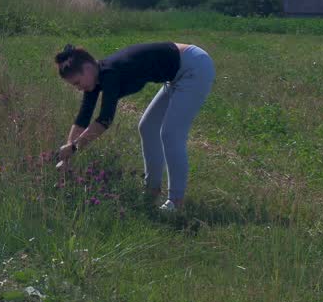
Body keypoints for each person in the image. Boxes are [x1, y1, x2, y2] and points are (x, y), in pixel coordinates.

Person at [54, 42, 215, 212]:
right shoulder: (96, 79)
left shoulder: (110, 73)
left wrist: (73, 148)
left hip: (194, 67)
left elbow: (105, 120)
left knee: (171, 133)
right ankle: (152, 190)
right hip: (175, 75)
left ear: (87, 68)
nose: (79, 88)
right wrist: (67, 156)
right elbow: (83, 118)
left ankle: (176, 202)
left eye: (77, 83)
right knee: (148, 127)